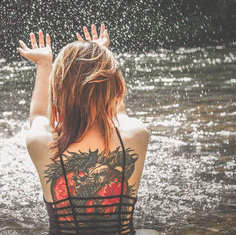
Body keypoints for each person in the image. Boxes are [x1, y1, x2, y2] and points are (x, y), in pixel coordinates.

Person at [17, 23, 149, 235]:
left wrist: (43, 64)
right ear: (115, 87)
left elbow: (39, 115)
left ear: (58, 92)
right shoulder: (135, 135)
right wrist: (102, 55)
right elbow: (118, 110)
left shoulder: (41, 142)